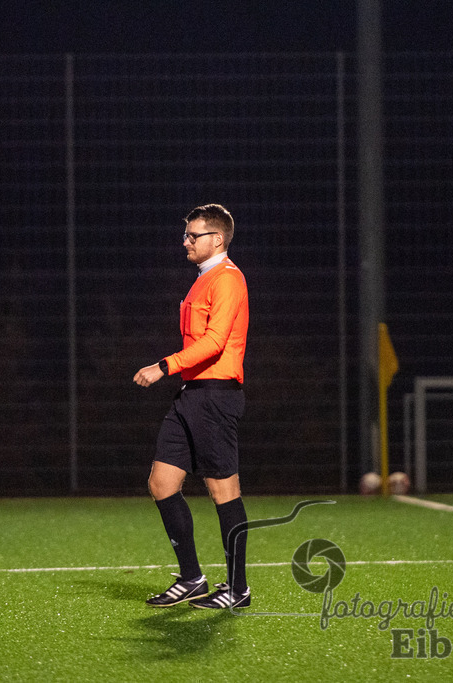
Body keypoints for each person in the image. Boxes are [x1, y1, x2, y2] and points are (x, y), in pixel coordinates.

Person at [132, 203, 251, 609]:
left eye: (192, 236)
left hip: (216, 396)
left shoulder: (228, 280)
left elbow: (215, 342)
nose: (185, 241)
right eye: (186, 235)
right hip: (191, 395)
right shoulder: (202, 279)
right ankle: (192, 579)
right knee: (161, 484)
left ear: (216, 239)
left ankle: (238, 589)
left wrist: (164, 366)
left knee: (223, 492)